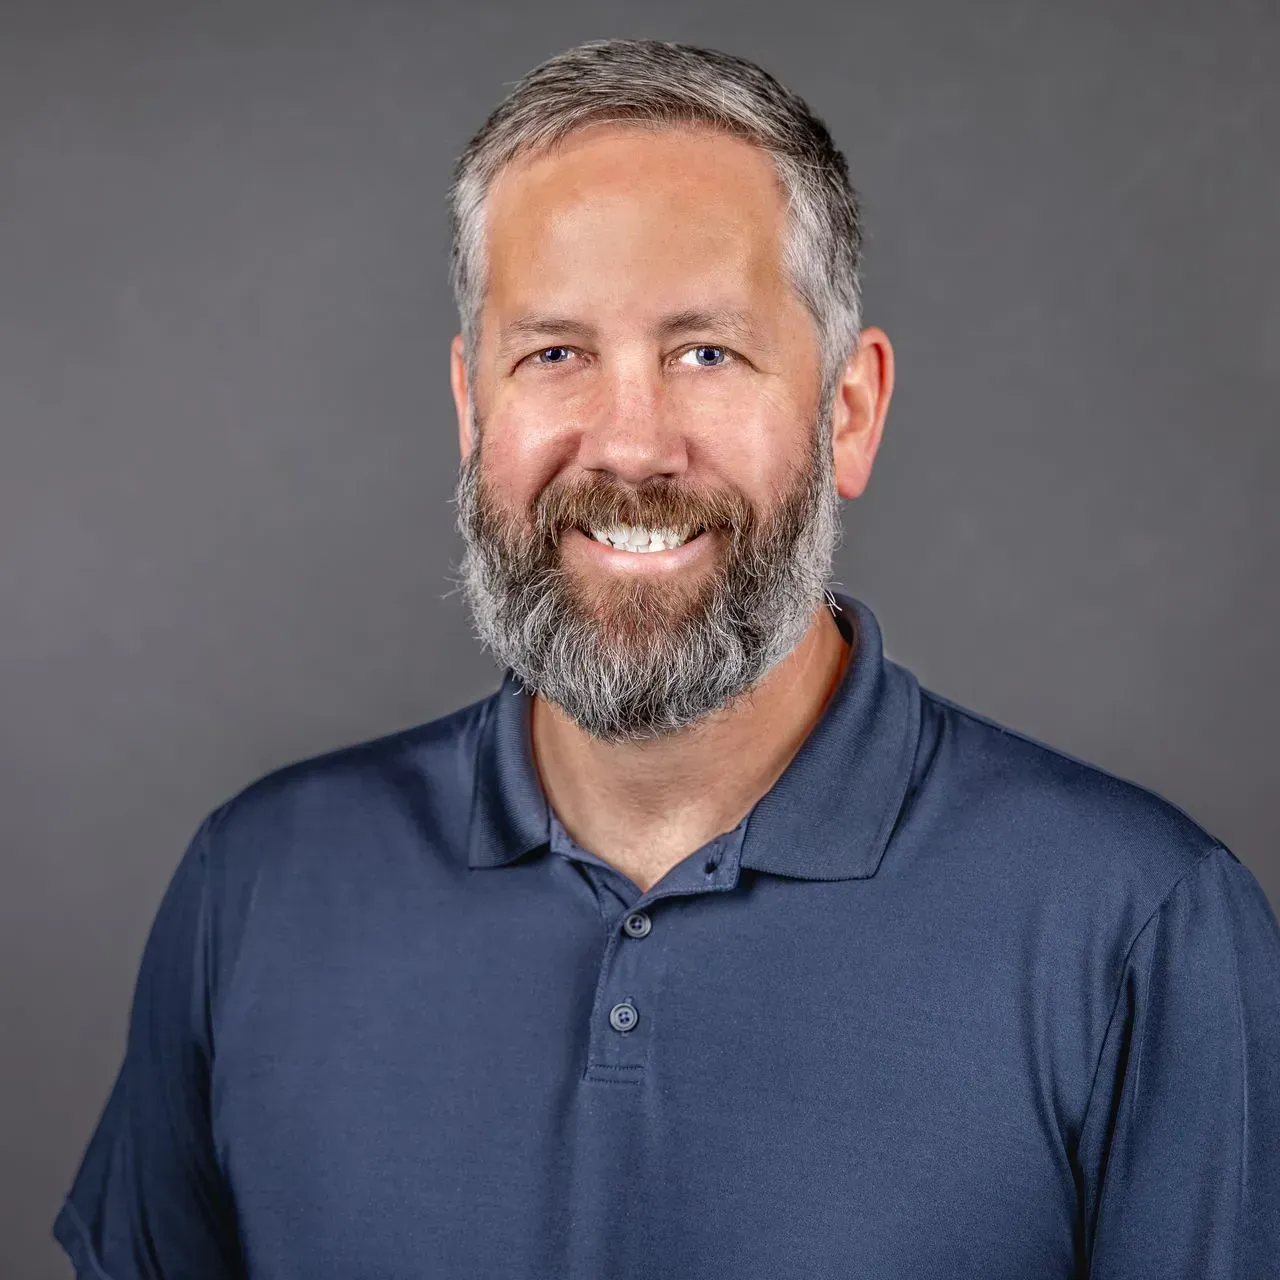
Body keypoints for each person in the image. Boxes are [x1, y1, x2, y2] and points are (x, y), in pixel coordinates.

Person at [53, 38, 1280, 1280]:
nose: (631, 448)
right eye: (553, 352)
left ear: (845, 411)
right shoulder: (258, 889)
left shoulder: (1140, 930)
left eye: (705, 352)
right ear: (473, 410)